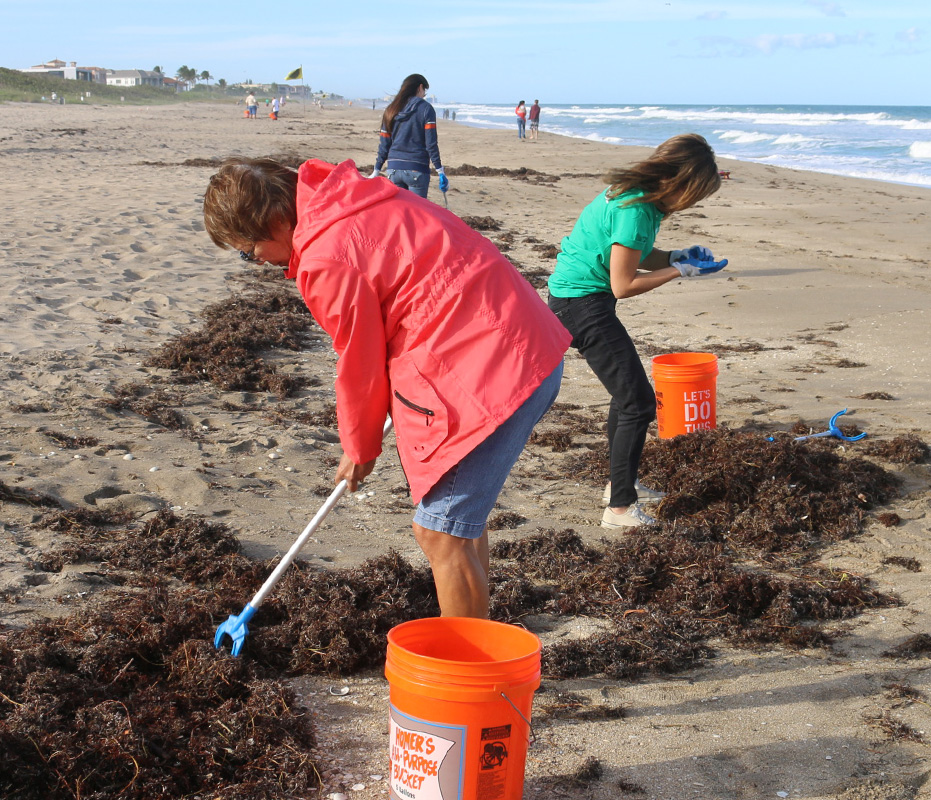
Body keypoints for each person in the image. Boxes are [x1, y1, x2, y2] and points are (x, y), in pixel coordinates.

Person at [203, 157, 571, 618]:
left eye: (247, 250)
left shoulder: (325, 257)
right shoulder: (360, 198)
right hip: (525, 341)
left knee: (440, 532)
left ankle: (468, 670)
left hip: (494, 370)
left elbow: (360, 361)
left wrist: (360, 448)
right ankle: (478, 635)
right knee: (459, 524)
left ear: (275, 222)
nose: (254, 261)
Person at [546, 134, 728, 529]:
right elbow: (623, 284)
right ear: (681, 182)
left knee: (627, 396)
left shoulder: (637, 196)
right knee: (638, 402)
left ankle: (619, 487)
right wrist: (679, 271)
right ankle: (620, 510)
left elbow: (630, 250)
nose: (691, 205)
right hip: (580, 304)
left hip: (579, 299)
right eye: (695, 196)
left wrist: (674, 255)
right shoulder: (636, 208)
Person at [373, 73, 448, 200]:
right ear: (419, 87)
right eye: (424, 91)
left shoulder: (391, 109)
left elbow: (384, 144)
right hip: (417, 169)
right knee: (416, 215)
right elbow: (431, 144)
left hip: (393, 170)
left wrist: (377, 169)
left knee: (400, 214)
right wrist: (440, 171)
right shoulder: (426, 109)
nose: (424, 95)